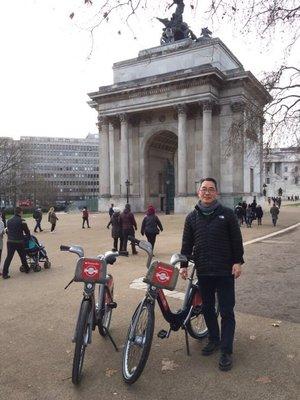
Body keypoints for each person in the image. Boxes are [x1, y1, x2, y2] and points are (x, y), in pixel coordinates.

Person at [180, 178, 244, 371]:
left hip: (225, 271)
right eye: (203, 189)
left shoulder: (228, 214)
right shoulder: (191, 217)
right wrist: (183, 265)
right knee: (207, 308)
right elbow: (186, 244)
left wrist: (238, 262)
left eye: (211, 189)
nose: (207, 192)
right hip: (204, 271)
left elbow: (236, 241)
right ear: (199, 192)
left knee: (226, 311)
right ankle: (214, 339)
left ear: (216, 193)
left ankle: (226, 350)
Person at [2, 207, 30, 279]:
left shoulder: (9, 220)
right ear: (20, 212)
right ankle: (26, 269)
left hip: (10, 241)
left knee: (9, 257)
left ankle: (4, 273)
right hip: (19, 241)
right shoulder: (22, 221)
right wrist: (28, 238)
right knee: (22, 256)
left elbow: (7, 231)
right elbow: (27, 232)